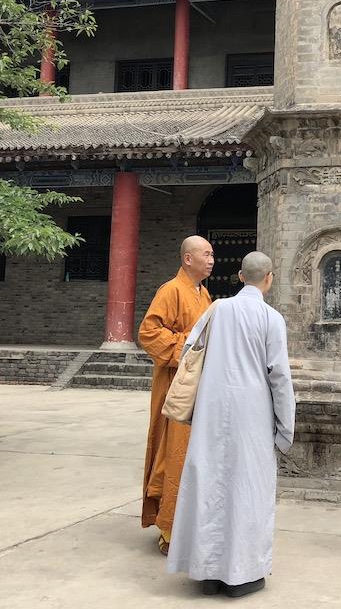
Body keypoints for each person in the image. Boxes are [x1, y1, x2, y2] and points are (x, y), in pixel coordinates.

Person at [168, 251, 296, 597]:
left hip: (213, 410)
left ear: (240, 276)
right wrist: (286, 428)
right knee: (247, 491)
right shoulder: (271, 318)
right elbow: (280, 375)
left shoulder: (217, 309)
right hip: (253, 415)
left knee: (209, 486)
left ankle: (207, 572)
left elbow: (188, 351)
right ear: (269, 278)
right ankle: (242, 574)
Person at [138, 235, 214, 555]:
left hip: (198, 385)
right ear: (188, 259)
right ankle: (169, 528)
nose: (211, 259)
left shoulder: (203, 292)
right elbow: (149, 333)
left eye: (212, 255)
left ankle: (189, 523)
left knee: (192, 454)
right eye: (206, 254)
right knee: (174, 452)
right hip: (175, 385)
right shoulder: (171, 291)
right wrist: (189, 347)